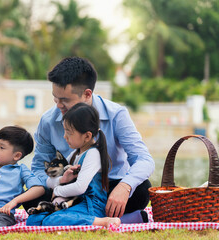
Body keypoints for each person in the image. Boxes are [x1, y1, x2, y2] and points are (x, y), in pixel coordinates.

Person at [27, 57, 154, 223]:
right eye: (55, 98)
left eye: (65, 100)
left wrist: (124, 186)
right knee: (31, 194)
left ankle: (75, 217)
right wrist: (56, 185)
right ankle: (123, 219)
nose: (59, 105)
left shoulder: (116, 114)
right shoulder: (48, 121)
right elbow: (38, 167)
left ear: (87, 94)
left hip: (106, 190)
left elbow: (144, 159)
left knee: (141, 190)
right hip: (68, 189)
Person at [26, 103, 120, 227]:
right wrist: (62, 179)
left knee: (52, 220)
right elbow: (49, 182)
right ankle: (76, 218)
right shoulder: (75, 154)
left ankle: (102, 221)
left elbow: (80, 187)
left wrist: (57, 190)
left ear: (87, 136)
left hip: (91, 205)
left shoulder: (93, 154)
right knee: (33, 220)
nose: (64, 136)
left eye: (69, 133)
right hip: (74, 202)